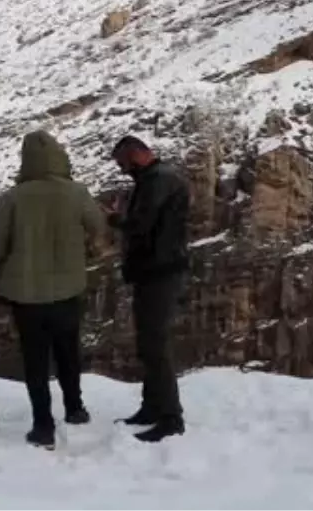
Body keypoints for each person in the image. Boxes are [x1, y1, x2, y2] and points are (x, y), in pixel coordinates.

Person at [0, 130, 107, 450]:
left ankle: (43, 425)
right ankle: (75, 408)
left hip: (26, 295)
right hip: (68, 290)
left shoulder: (13, 197)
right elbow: (99, 229)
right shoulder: (77, 193)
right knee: (68, 351)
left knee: (35, 360)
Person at [105, 136, 190, 443]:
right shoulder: (156, 178)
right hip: (154, 271)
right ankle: (152, 407)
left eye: (123, 163)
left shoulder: (159, 180)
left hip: (160, 272)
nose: (123, 170)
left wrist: (116, 217)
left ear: (137, 155)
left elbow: (141, 224)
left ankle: (170, 417)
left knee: (155, 344)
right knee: (148, 343)